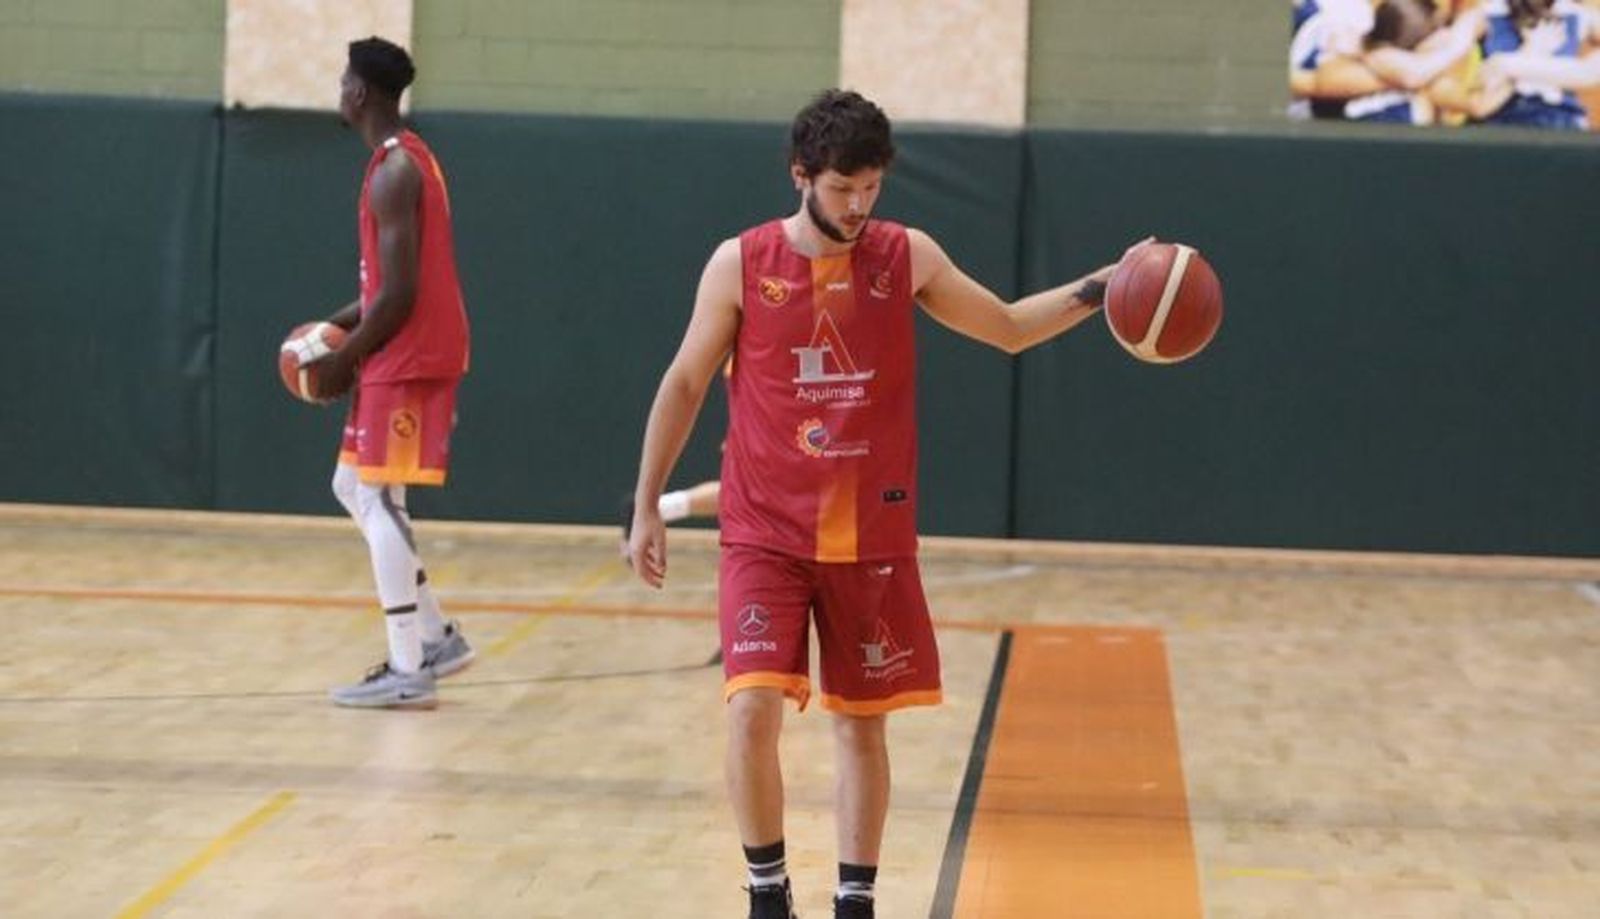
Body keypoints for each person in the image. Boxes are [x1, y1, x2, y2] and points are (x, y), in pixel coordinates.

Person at [624, 89, 1137, 919]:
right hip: (764, 531)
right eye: (841, 188)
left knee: (862, 725)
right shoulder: (741, 262)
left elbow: (1006, 326)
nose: (859, 205)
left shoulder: (909, 255)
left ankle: (855, 899)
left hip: (871, 532)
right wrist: (648, 502)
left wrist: (1101, 287)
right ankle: (766, 891)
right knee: (752, 706)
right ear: (800, 176)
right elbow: (684, 382)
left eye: (871, 186)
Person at [287, 36, 474, 708]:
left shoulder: (397, 170)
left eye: (343, 80)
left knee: (379, 498)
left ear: (359, 92)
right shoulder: (401, 161)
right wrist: (331, 329)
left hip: (412, 353)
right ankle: (436, 635)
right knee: (352, 485)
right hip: (400, 345)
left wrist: (344, 356)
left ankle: (409, 666)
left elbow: (398, 296)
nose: (339, 89)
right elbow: (383, 289)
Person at [1476, 0, 1600, 128]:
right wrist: (1530, 51)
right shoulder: (1488, 14)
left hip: (1561, 119)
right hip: (1502, 120)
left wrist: (1509, 65)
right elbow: (1481, 101)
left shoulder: (1575, 14)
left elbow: (1589, 73)